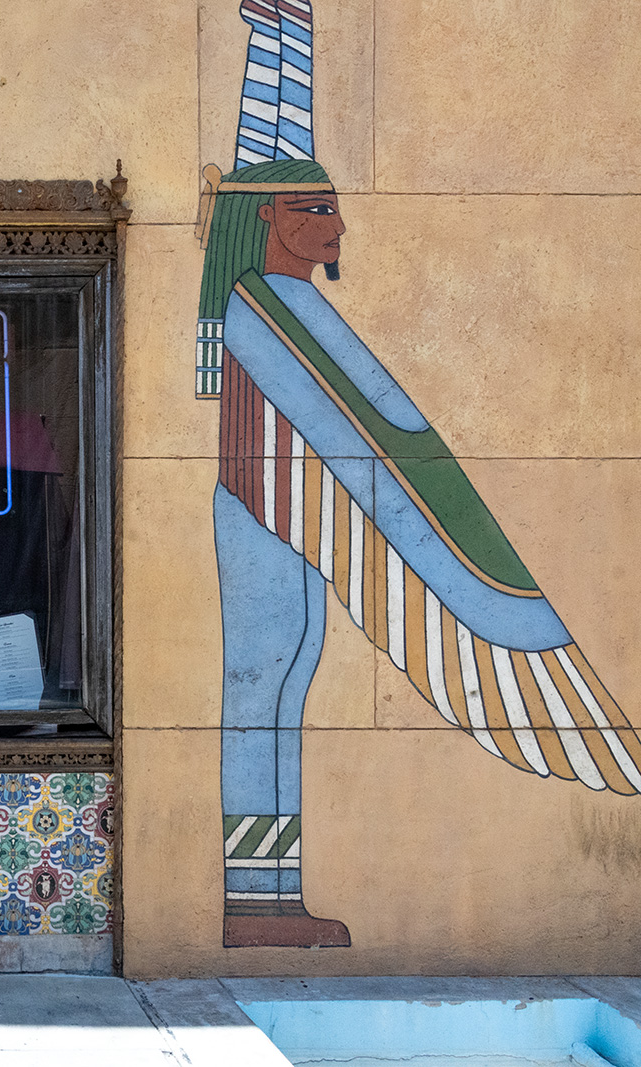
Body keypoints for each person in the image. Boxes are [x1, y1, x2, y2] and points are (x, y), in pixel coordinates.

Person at [200, 6, 641, 949]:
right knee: (266, 683)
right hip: (263, 507)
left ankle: (270, 894)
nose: (336, 222)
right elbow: (374, 428)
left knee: (290, 675)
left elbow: (389, 421)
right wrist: (468, 557)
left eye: (332, 205)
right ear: (265, 213)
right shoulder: (258, 306)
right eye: (315, 206)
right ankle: (252, 897)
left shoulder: (289, 307)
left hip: (289, 508)